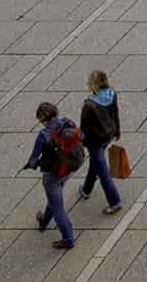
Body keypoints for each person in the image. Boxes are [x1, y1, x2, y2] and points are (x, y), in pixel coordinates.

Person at [25, 101, 84, 248]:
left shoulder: (44, 135)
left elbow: (33, 160)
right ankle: (44, 220)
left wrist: (32, 164)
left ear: (42, 119)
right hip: (69, 168)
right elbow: (81, 136)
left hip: (53, 174)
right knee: (54, 197)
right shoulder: (67, 123)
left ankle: (68, 238)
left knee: (57, 206)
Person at [76, 71, 123, 215]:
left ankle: (114, 202)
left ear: (93, 84)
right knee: (96, 163)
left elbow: (84, 128)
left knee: (103, 173)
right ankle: (86, 189)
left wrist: (81, 143)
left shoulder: (89, 104)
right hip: (108, 135)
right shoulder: (112, 94)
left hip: (94, 141)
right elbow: (115, 113)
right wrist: (117, 131)